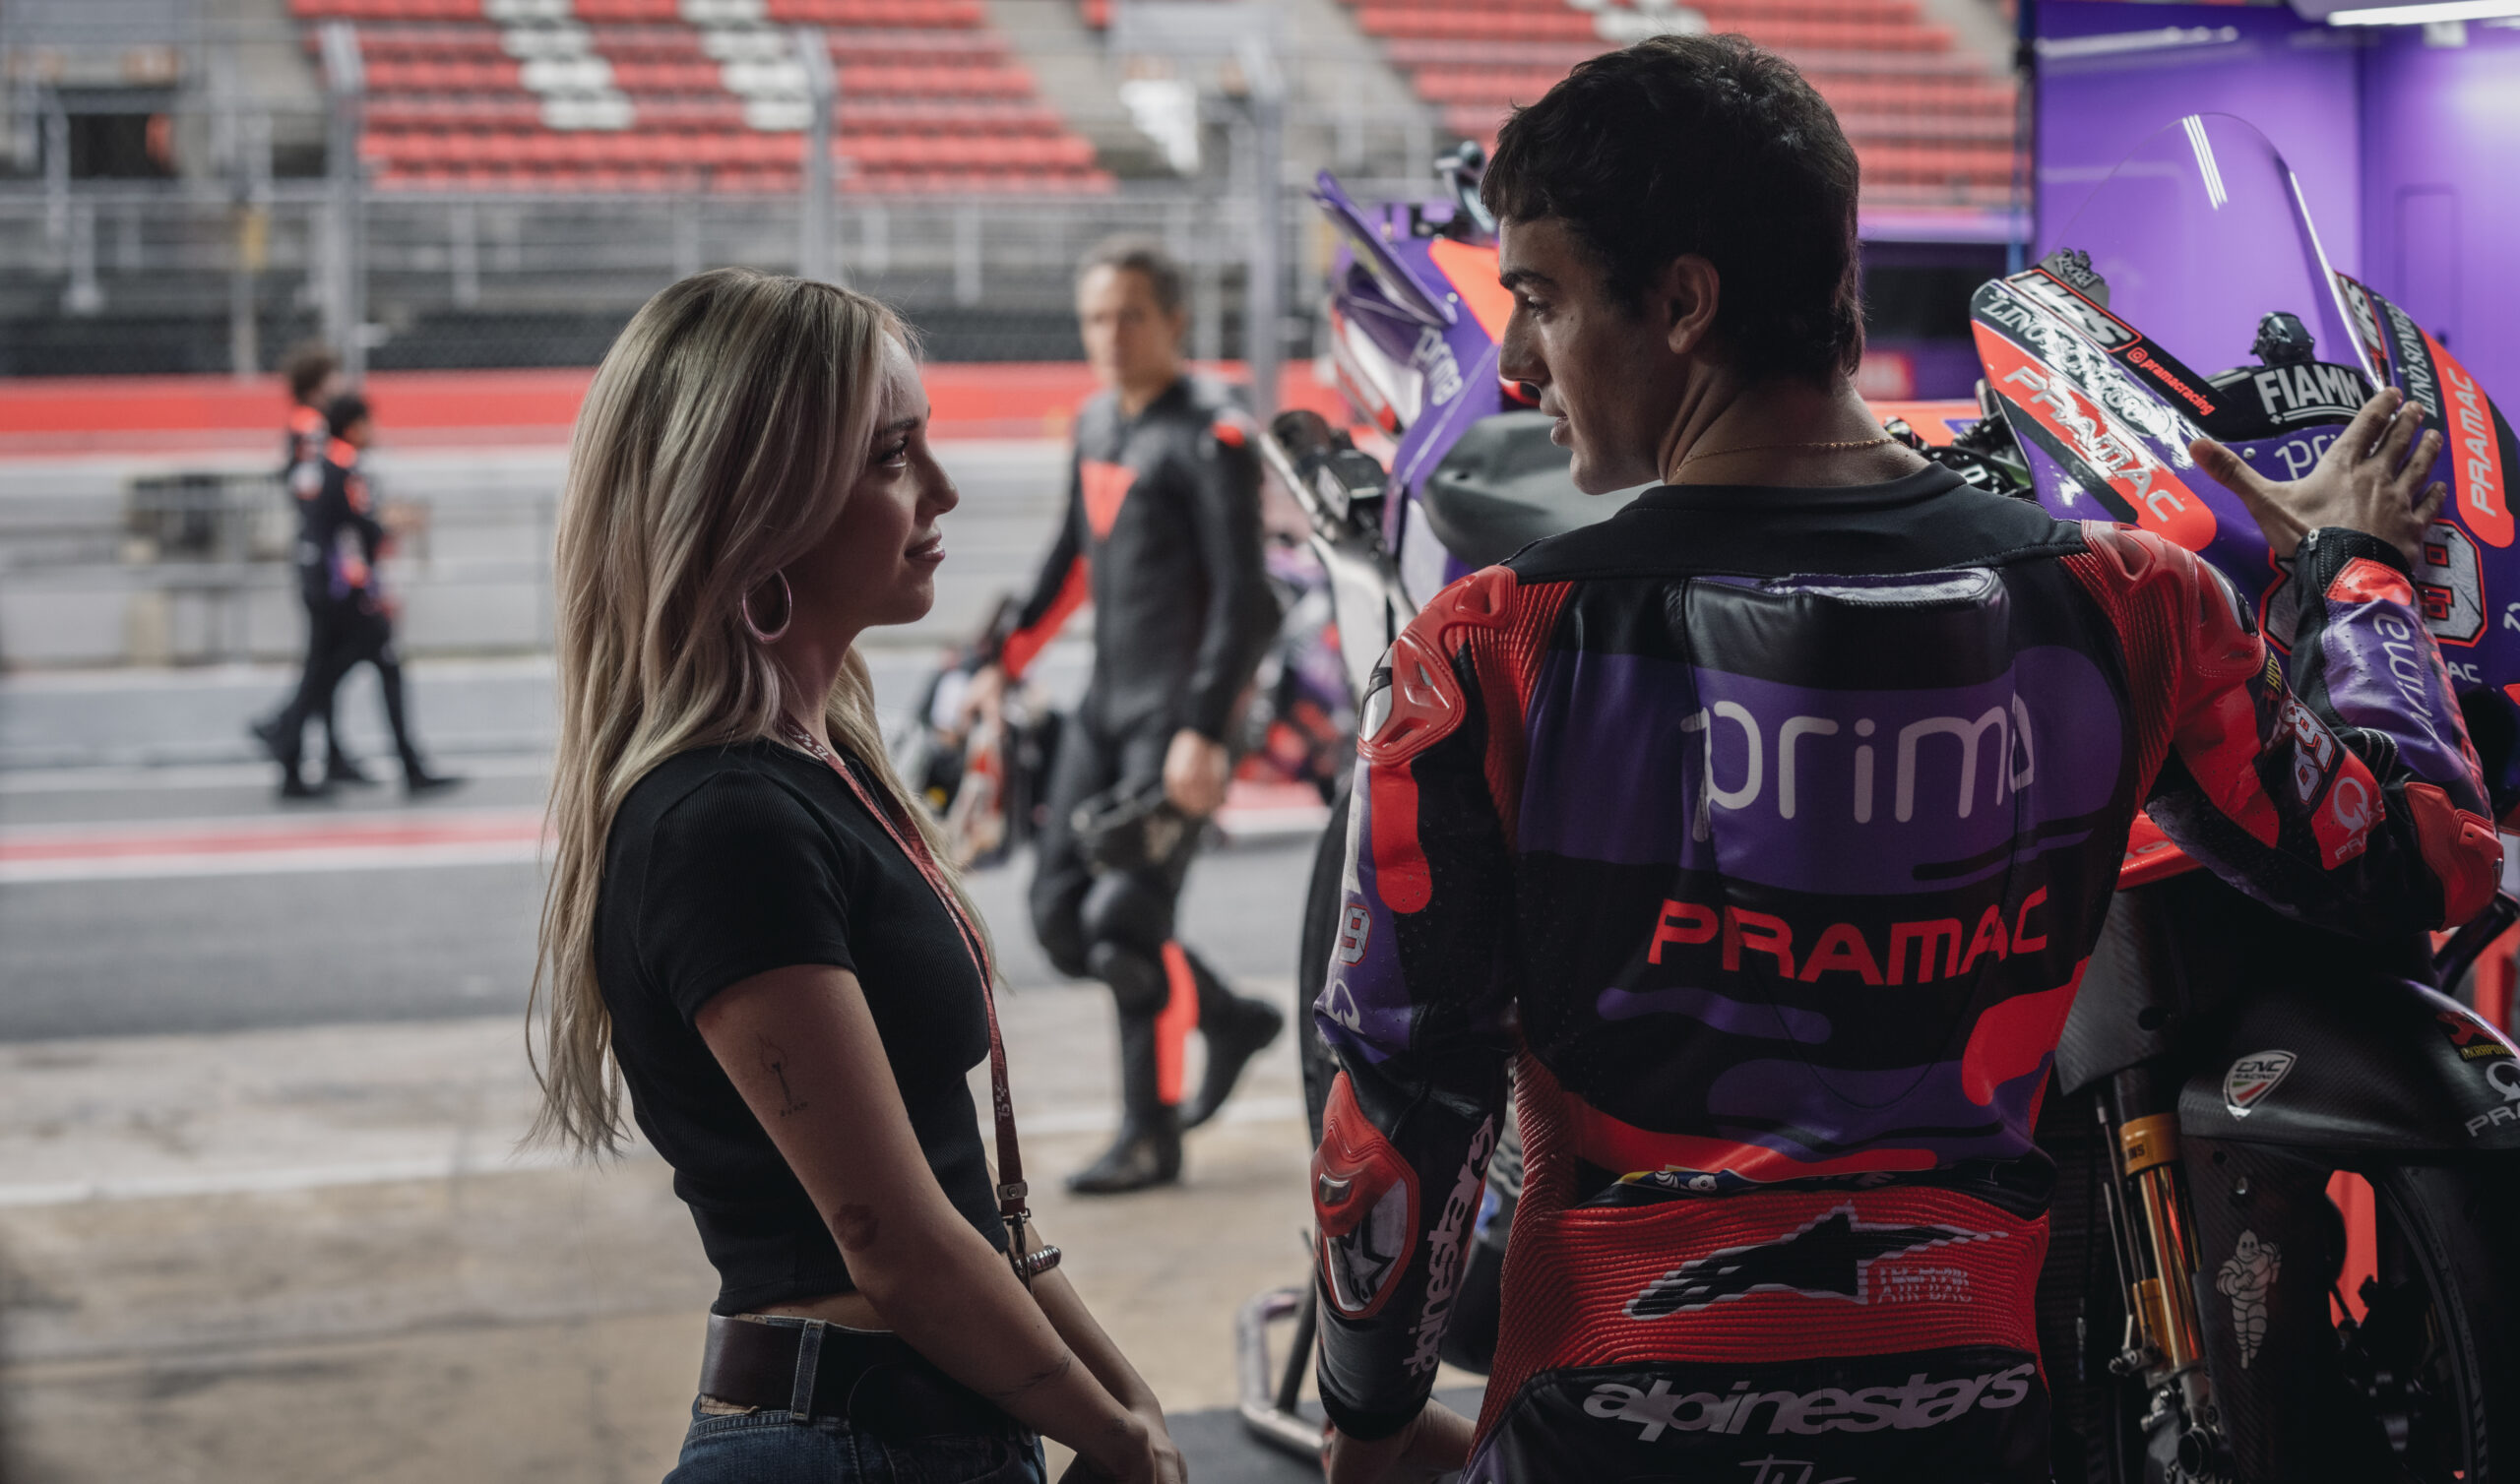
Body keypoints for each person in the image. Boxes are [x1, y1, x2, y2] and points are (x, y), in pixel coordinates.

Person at [1307, 35, 2501, 1484]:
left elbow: (1399, 1108)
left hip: (1601, 1442)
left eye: (1542, 300)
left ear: (1682, 303)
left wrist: (1369, 1418)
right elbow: (2423, 863)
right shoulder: (2133, 605)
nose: (1513, 362)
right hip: (1974, 1436)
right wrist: (2359, 577)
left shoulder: (1483, 647)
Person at [529, 268, 1185, 1484]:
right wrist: (1105, 1428)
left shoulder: (817, 768)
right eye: (890, 457)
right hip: (835, 1446)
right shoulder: (724, 824)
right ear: (755, 509)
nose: (941, 488)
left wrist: (1131, 1408)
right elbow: (890, 1239)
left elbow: (964, 1203)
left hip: (917, 1429)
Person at [976, 236, 1286, 1195]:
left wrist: (1204, 728)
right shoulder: (1096, 422)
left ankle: (1150, 1136)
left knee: (1124, 920)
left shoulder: (1212, 433)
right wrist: (995, 662)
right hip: (1102, 708)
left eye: (1130, 316)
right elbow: (1069, 557)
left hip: (1177, 721)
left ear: (1175, 321)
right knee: (1057, 919)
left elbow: (1248, 600)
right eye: (1095, 318)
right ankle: (1229, 1015)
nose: (1109, 336)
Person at [260, 395, 460, 798]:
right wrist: (377, 569)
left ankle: (287, 741)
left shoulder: (320, 465)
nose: (373, 432)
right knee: (372, 665)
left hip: (321, 581)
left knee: (327, 669)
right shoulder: (344, 466)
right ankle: (288, 731)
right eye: (368, 423)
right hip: (342, 588)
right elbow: (358, 531)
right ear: (353, 426)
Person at [252, 342, 366, 788]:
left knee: (325, 656)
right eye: (333, 376)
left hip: (318, 554)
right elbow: (313, 489)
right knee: (327, 659)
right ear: (318, 382)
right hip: (324, 560)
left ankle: (321, 751)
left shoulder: (307, 426)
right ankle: (284, 731)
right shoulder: (312, 427)